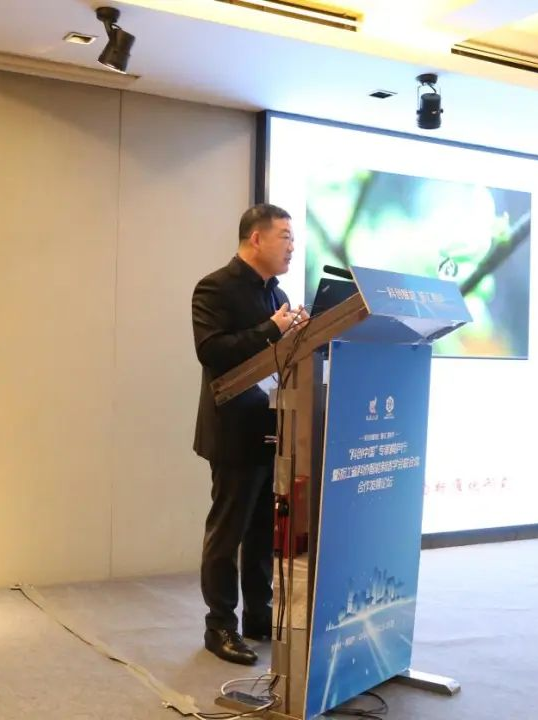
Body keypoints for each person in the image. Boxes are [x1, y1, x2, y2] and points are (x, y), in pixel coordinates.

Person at [191, 203, 307, 665]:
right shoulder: (214, 287)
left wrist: (297, 334)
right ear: (256, 238)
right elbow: (212, 351)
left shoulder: (278, 294)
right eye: (285, 236)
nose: (292, 247)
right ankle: (219, 626)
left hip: (271, 426)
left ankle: (259, 616)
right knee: (228, 532)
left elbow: (278, 356)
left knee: (262, 533)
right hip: (233, 430)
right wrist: (271, 330)